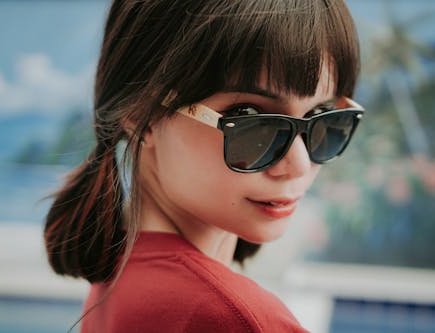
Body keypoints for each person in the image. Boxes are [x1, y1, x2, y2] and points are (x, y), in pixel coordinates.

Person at [44, 0, 364, 332]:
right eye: (250, 119)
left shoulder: (118, 274)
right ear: (143, 114)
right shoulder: (238, 318)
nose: (299, 165)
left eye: (324, 116)